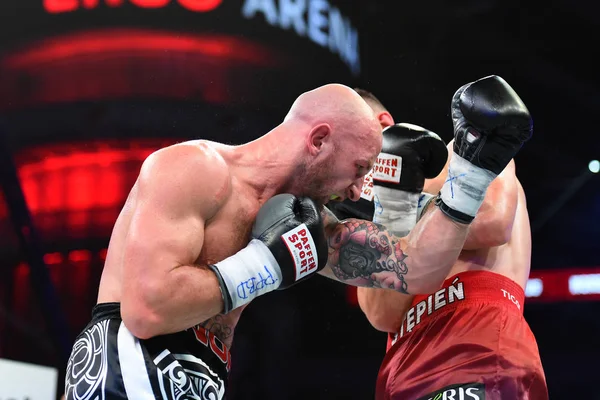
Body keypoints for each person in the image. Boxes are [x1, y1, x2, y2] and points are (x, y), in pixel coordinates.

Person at [65, 75, 528, 400]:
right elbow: (148, 311)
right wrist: (265, 265)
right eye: (359, 169)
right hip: (128, 364)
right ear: (319, 139)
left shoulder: (312, 224)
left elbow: (415, 269)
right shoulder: (195, 168)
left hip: (206, 375)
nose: (355, 189)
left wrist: (468, 179)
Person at [339, 85, 548, 398]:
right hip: (402, 361)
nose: (349, 170)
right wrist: (391, 209)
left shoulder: (464, 153)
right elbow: (381, 315)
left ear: (382, 123)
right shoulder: (376, 216)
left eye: (348, 146)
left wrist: (406, 204)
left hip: (473, 338)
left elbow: (492, 222)